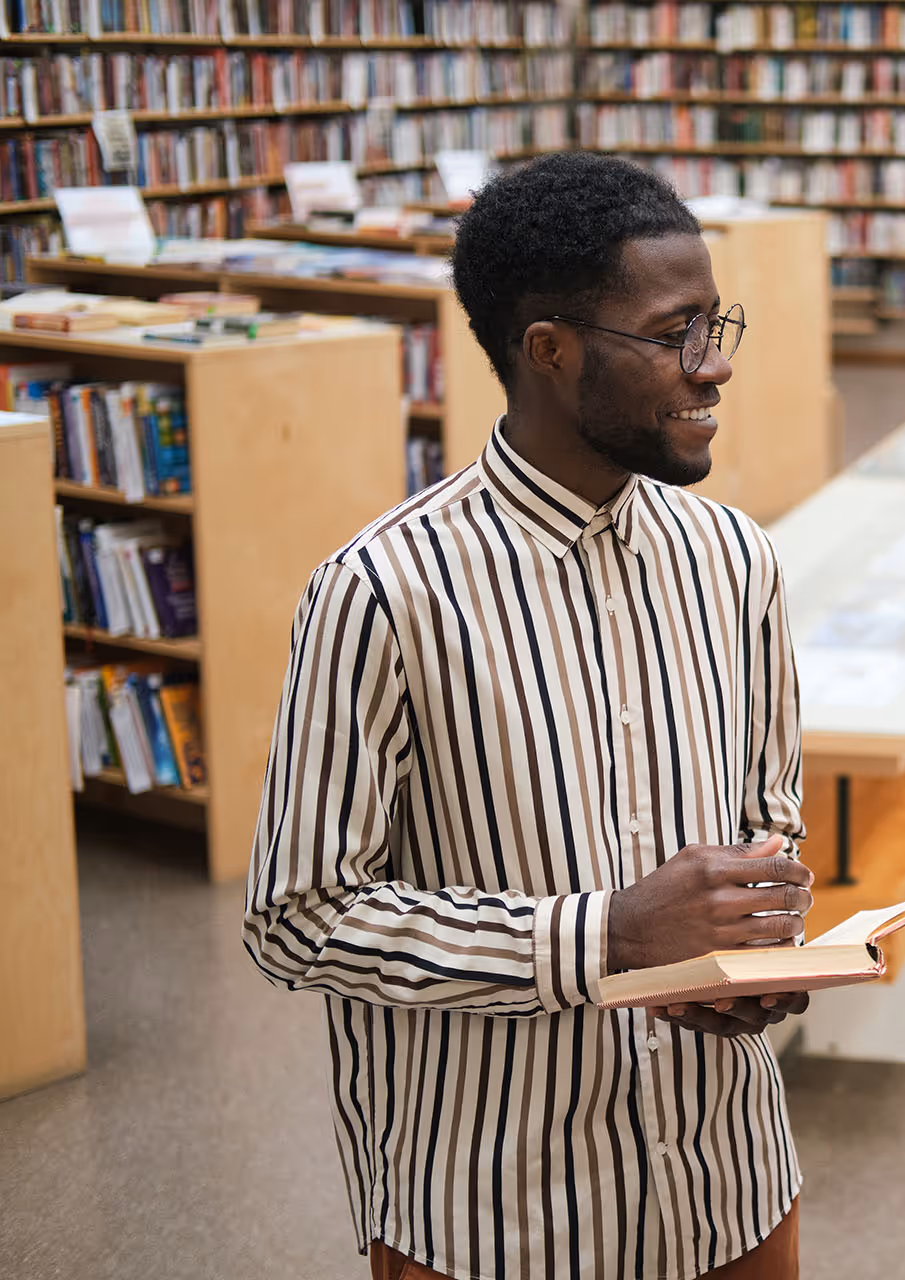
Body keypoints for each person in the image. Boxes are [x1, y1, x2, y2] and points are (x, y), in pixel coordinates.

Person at [243, 153, 813, 1280]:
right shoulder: (382, 591)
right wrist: (601, 936)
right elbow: (299, 916)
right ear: (550, 350)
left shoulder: (736, 558)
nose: (717, 365)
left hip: (730, 1186)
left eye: (718, 323)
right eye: (676, 332)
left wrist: (763, 947)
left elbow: (767, 822)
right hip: (498, 1213)